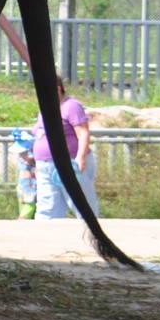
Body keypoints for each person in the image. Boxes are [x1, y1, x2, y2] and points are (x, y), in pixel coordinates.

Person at [30, 77, 98, 220]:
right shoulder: (45, 109)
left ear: (57, 89)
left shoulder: (71, 106)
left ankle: (93, 235)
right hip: (45, 165)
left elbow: (83, 133)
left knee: (81, 205)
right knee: (47, 207)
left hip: (69, 162)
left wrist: (81, 158)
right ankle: (46, 239)